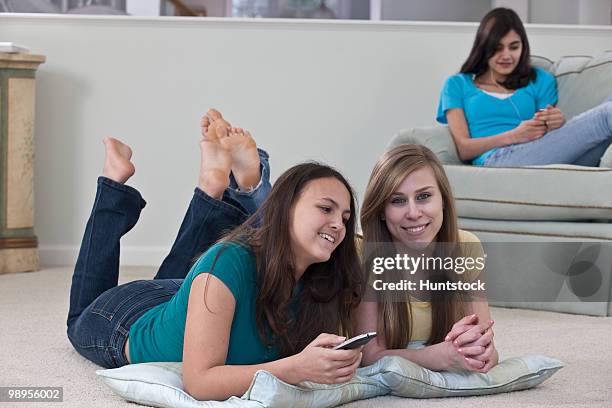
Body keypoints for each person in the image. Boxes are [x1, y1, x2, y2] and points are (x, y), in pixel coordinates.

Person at [66, 110, 364, 401]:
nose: (339, 224)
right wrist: (296, 367)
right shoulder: (230, 261)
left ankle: (215, 183)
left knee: (211, 268)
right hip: (125, 318)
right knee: (79, 320)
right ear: (285, 208)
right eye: (326, 209)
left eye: (346, 217)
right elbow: (200, 383)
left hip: (186, 297)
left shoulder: (322, 277)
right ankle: (113, 184)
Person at [355, 144, 499, 373]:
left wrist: (483, 350)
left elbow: (484, 340)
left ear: (443, 199)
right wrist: (431, 357)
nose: (413, 213)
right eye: (397, 201)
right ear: (381, 210)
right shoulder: (363, 252)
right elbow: (369, 355)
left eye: (423, 196)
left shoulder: (467, 247)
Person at [436, 7, 612, 167]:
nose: (506, 56)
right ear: (483, 48)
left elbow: (548, 138)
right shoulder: (458, 84)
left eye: (514, 47)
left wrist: (556, 122)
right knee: (606, 115)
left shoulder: (540, 80)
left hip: (540, 156)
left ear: (523, 46)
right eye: (497, 48)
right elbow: (463, 149)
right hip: (496, 160)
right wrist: (513, 135)